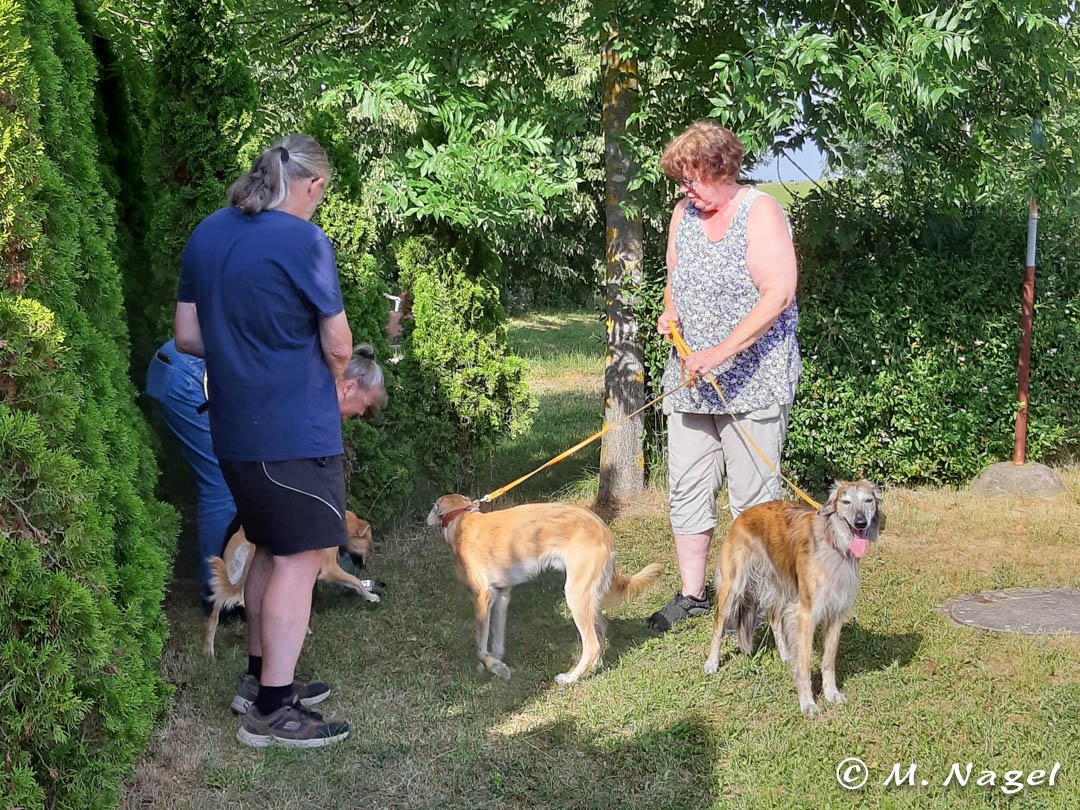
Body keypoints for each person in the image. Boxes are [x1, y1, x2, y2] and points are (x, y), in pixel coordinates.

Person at [174, 133, 386, 749]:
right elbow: (340, 348)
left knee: (268, 546)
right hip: (293, 431)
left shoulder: (209, 232)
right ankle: (272, 711)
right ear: (313, 185)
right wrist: (285, 362)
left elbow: (187, 335)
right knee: (298, 560)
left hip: (232, 427)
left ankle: (259, 679)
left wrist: (242, 352)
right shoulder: (304, 240)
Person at [647, 121, 802, 633]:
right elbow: (675, 279)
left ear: (720, 168)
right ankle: (693, 595)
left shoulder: (761, 212)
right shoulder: (683, 214)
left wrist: (719, 352)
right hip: (693, 381)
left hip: (753, 380)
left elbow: (779, 293)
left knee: (753, 500)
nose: (685, 189)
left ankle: (751, 603)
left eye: (690, 178)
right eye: (680, 180)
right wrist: (670, 313)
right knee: (687, 487)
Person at [145, 339, 236, 613]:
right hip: (188, 375)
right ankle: (216, 597)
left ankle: (225, 587)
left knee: (226, 478)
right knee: (221, 485)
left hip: (178, 366)